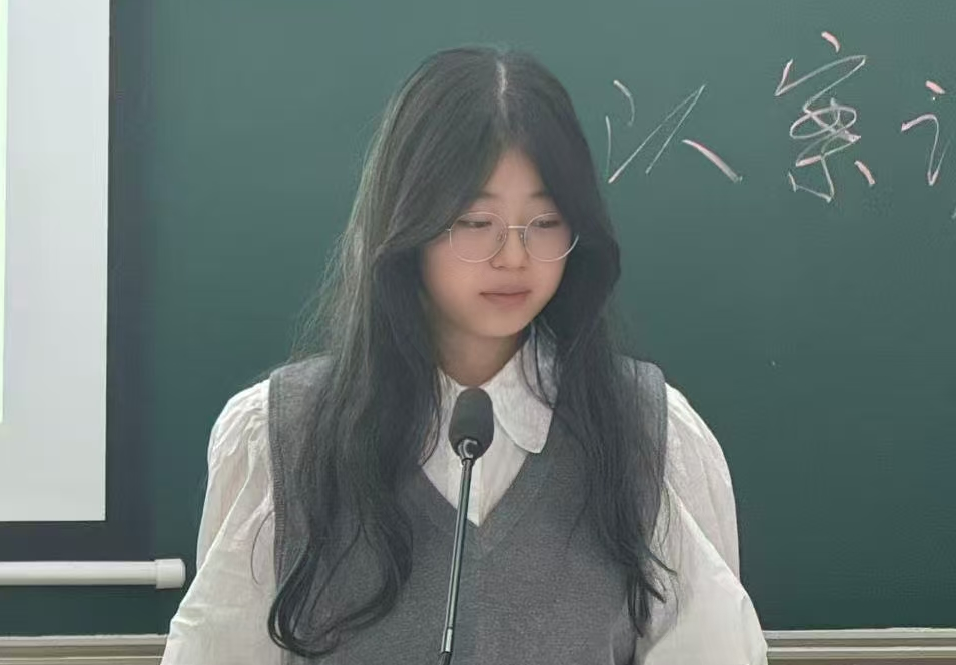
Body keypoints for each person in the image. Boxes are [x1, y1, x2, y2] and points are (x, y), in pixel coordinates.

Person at [160, 46, 768, 664]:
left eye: (545, 222)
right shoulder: (282, 437)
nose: (514, 256)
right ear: (406, 224)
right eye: (477, 222)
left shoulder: (648, 435)